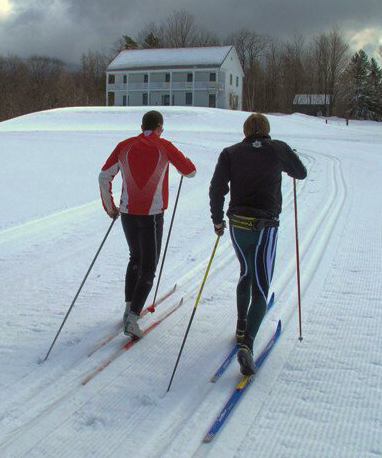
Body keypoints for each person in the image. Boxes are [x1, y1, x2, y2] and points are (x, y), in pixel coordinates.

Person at [209, 113, 306, 375]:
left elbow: (216, 187)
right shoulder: (278, 148)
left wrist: (217, 220)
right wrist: (287, 159)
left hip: (238, 224)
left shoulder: (230, 153)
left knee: (246, 272)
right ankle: (247, 345)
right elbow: (301, 172)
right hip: (266, 225)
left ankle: (241, 325)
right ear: (266, 130)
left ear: (245, 131)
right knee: (261, 285)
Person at [99, 110, 196, 339]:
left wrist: (110, 208)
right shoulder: (163, 145)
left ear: (141, 125)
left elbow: (104, 176)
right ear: (160, 127)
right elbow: (190, 171)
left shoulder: (125, 145)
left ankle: (129, 308)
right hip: (151, 216)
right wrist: (187, 162)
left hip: (127, 213)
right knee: (149, 266)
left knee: (135, 257)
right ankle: (132, 319)